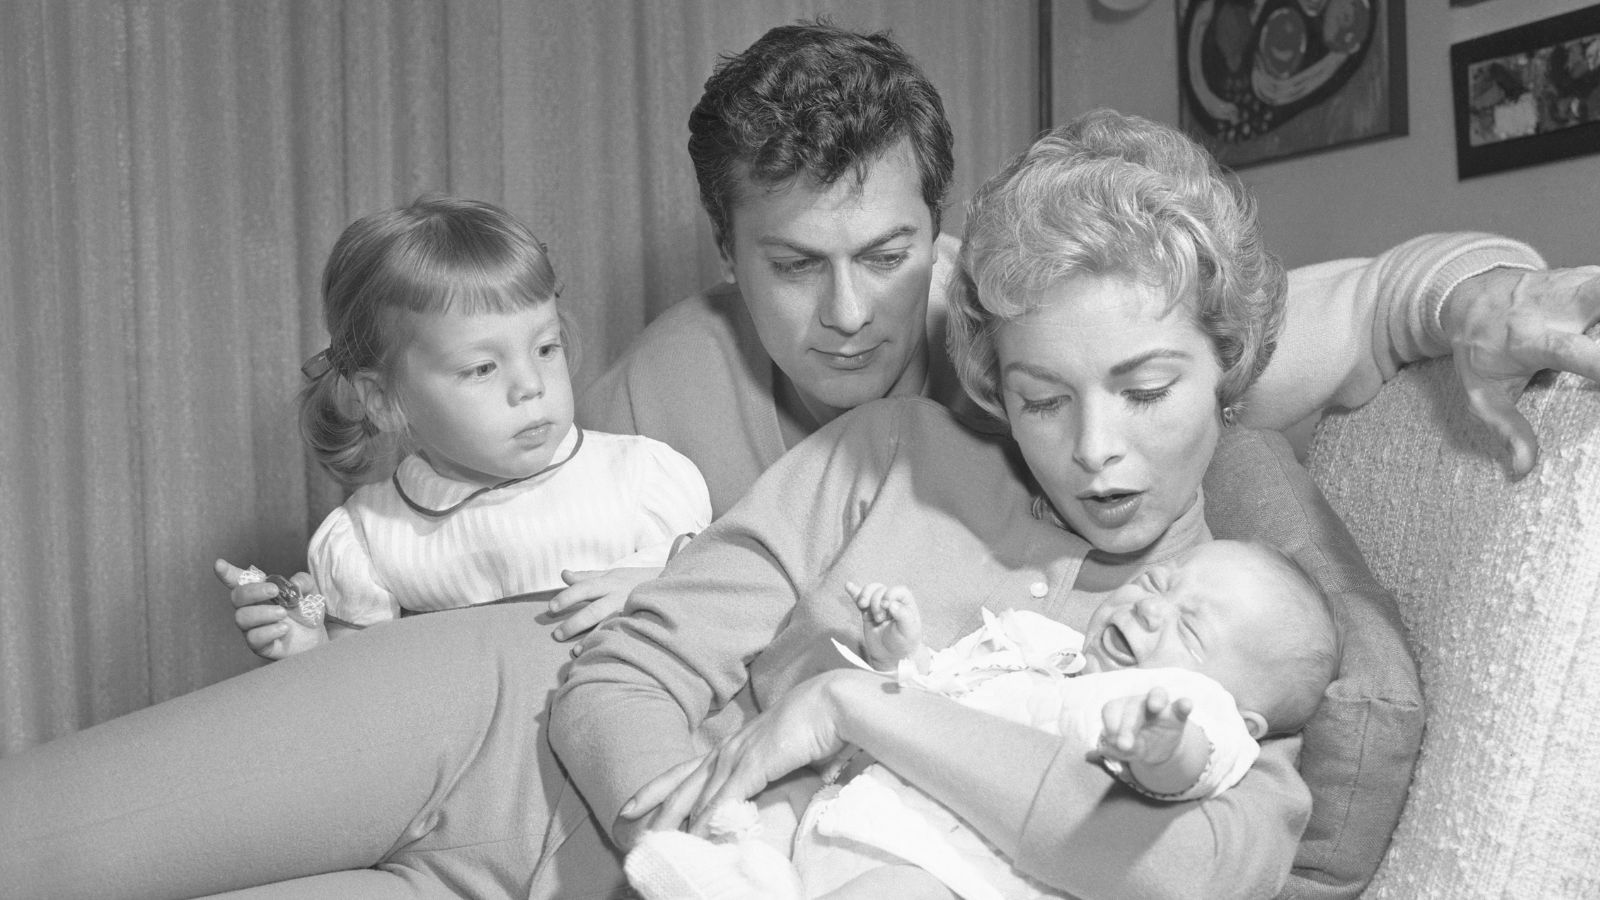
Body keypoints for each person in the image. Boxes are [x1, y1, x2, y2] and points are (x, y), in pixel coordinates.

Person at [1, 19, 1596, 900]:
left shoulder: (1100, 362)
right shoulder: (721, 400)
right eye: (791, 264)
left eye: (889, 252)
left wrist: (1482, 291)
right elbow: (560, 603)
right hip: (511, 717)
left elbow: (1358, 299)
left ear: (946, 250)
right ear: (727, 254)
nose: (850, 312)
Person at [548, 108, 1382, 900]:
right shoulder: (891, 451)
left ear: (1227, 365)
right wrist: (701, 847)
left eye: (1146, 389)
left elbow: (1178, 872)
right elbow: (625, 676)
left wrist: (854, 705)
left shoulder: (1238, 641)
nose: (1094, 448)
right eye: (1044, 400)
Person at [623, 539, 1340, 900]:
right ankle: (735, 874)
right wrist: (900, 657)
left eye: (1192, 629)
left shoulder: (1173, 709)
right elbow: (948, 701)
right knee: (774, 799)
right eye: (1158, 581)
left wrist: (1164, 743)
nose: (1152, 607)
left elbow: (1201, 758)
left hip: (945, 876)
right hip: (857, 818)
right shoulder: (1049, 652)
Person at [213, 195, 710, 659]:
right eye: (482, 369)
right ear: (384, 400)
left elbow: (727, 605)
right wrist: (309, 645)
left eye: (545, 348)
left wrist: (661, 586)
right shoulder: (369, 541)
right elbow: (362, 690)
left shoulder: (641, 481)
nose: (530, 386)